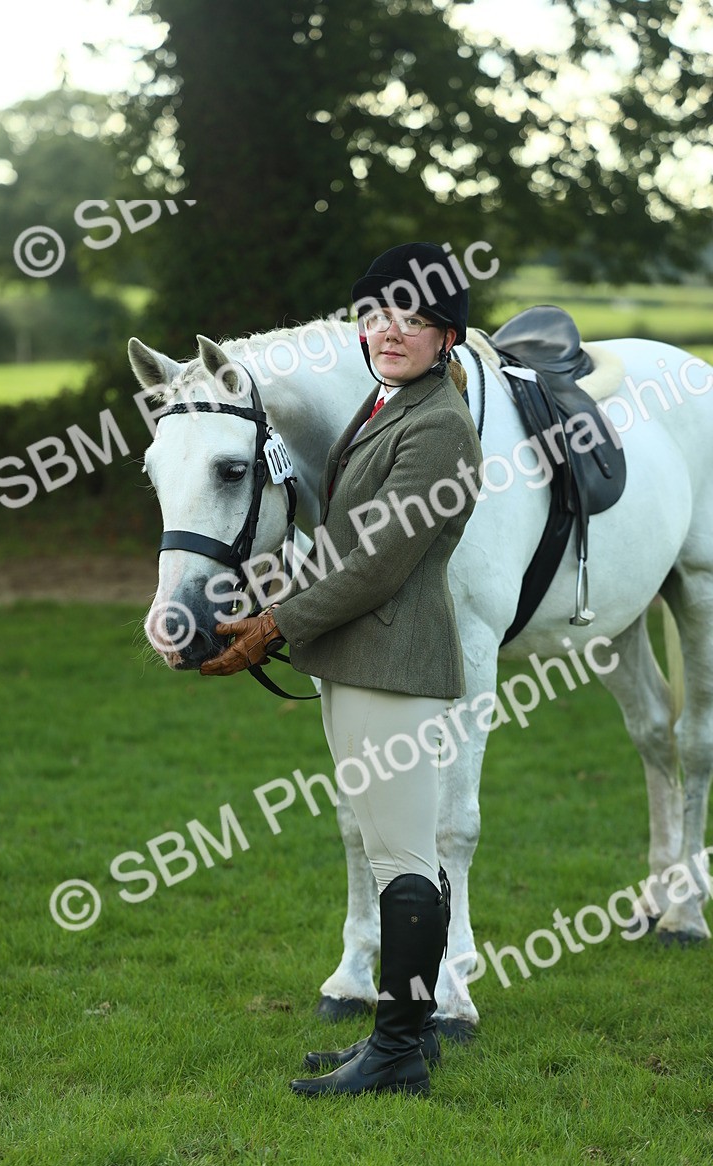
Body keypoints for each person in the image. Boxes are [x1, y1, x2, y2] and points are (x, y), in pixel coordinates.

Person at [201, 242, 483, 1096]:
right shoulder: (385, 405)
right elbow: (339, 541)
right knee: (400, 849)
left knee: (401, 858)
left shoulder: (439, 427)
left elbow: (373, 566)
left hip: (392, 659)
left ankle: (396, 1054)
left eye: (414, 318)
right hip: (360, 658)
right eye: (378, 314)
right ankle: (405, 1037)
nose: (391, 330)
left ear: (446, 337)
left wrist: (270, 627)